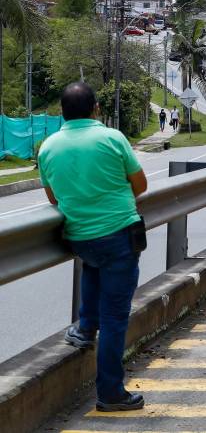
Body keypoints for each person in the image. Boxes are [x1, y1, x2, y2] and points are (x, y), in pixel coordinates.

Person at [38, 82, 148, 412]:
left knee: (93, 267)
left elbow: (53, 198)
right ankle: (110, 393)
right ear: (95, 109)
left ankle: (85, 327)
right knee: (115, 318)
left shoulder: (47, 147)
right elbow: (140, 185)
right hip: (118, 234)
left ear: (62, 112)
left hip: (80, 237)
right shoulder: (112, 138)